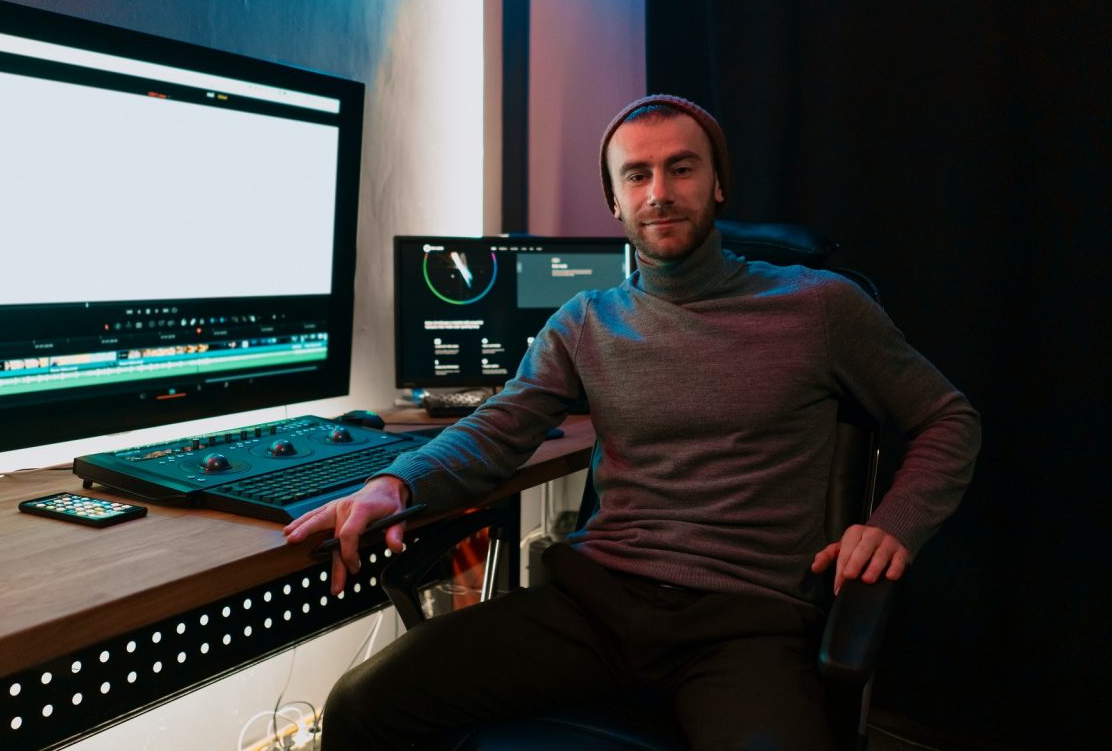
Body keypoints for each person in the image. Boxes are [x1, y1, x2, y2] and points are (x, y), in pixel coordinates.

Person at [284, 95, 981, 750]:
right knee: (362, 704)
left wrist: (894, 526)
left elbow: (948, 418)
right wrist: (395, 485)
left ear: (717, 185)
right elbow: (498, 429)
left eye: (681, 168)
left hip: (745, 623)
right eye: (638, 174)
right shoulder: (586, 322)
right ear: (615, 200)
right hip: (593, 605)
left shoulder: (820, 308)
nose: (660, 191)